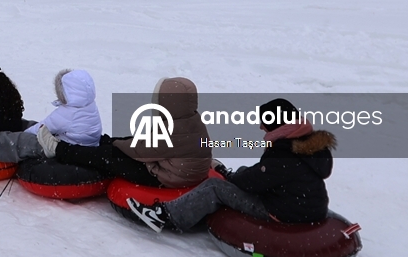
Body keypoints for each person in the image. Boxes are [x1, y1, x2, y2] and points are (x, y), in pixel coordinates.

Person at [127, 98, 336, 233]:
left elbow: (251, 183)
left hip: (285, 213)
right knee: (246, 171)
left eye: (263, 122)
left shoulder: (283, 154)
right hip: (310, 208)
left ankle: (165, 217)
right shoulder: (307, 146)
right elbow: (268, 176)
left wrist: (225, 175)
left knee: (215, 188)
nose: (259, 126)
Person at [48, 77, 214, 188]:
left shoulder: (173, 130)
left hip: (168, 179)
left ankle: (60, 149)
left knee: (109, 156)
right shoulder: (191, 120)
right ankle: (101, 142)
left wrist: (113, 143)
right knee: (124, 142)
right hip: (182, 172)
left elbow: (139, 151)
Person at [0, 68, 102, 162]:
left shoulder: (67, 113)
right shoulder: (90, 105)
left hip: (66, 148)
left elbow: (43, 128)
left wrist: (22, 134)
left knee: (21, 139)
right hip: (88, 145)